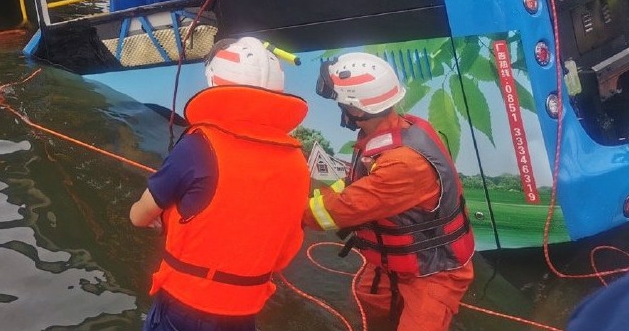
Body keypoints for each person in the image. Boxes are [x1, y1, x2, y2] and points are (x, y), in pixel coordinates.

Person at [129, 36, 311, 331]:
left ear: (214, 82)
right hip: (244, 312)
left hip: (184, 308)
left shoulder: (198, 146)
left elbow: (138, 217)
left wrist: (163, 215)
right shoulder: (296, 162)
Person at [305, 52, 475, 331]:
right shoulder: (389, 135)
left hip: (433, 271)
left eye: (341, 102)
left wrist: (290, 211)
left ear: (357, 111)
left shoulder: (403, 163)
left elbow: (342, 209)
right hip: (394, 264)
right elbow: (354, 187)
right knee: (371, 304)